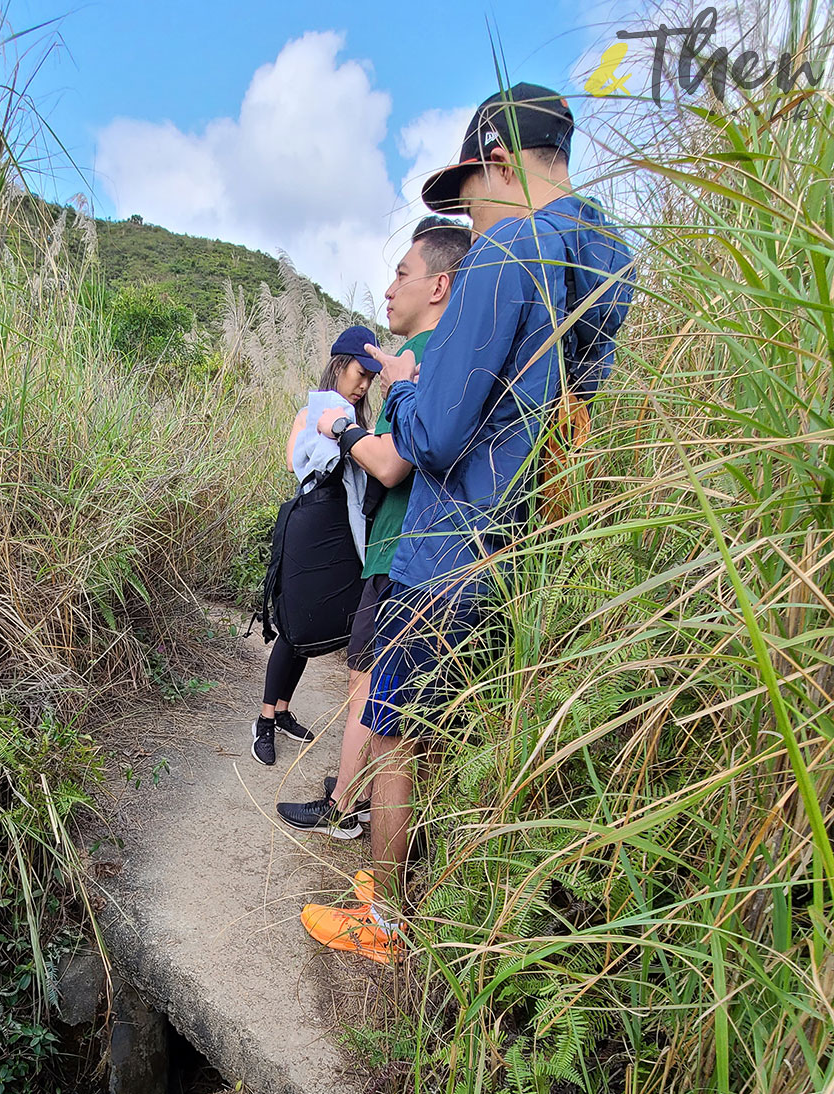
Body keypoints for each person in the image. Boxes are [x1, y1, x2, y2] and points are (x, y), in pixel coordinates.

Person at [300, 82, 635, 962]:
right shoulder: (611, 255)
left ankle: (383, 924)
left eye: (469, 195)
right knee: (465, 733)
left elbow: (442, 432)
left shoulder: (507, 245)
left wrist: (403, 389)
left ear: (495, 158)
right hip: (534, 548)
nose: (471, 216)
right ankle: (449, 913)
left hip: (451, 542)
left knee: (403, 734)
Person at [274, 219, 472, 837]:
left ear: (439, 285)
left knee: (376, 690)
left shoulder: (424, 359)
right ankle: (346, 798)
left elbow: (390, 464)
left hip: (406, 553)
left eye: (401, 274)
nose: (389, 288)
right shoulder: (423, 359)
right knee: (374, 684)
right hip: (399, 550)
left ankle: (346, 810)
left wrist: (344, 432)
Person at [252, 327, 380, 767]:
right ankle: (264, 720)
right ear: (339, 364)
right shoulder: (324, 412)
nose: (363, 385)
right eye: (360, 374)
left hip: (332, 526)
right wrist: (329, 429)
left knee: (307, 626)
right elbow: (298, 464)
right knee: (294, 627)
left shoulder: (341, 418)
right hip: (310, 525)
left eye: (370, 380)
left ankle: (283, 710)